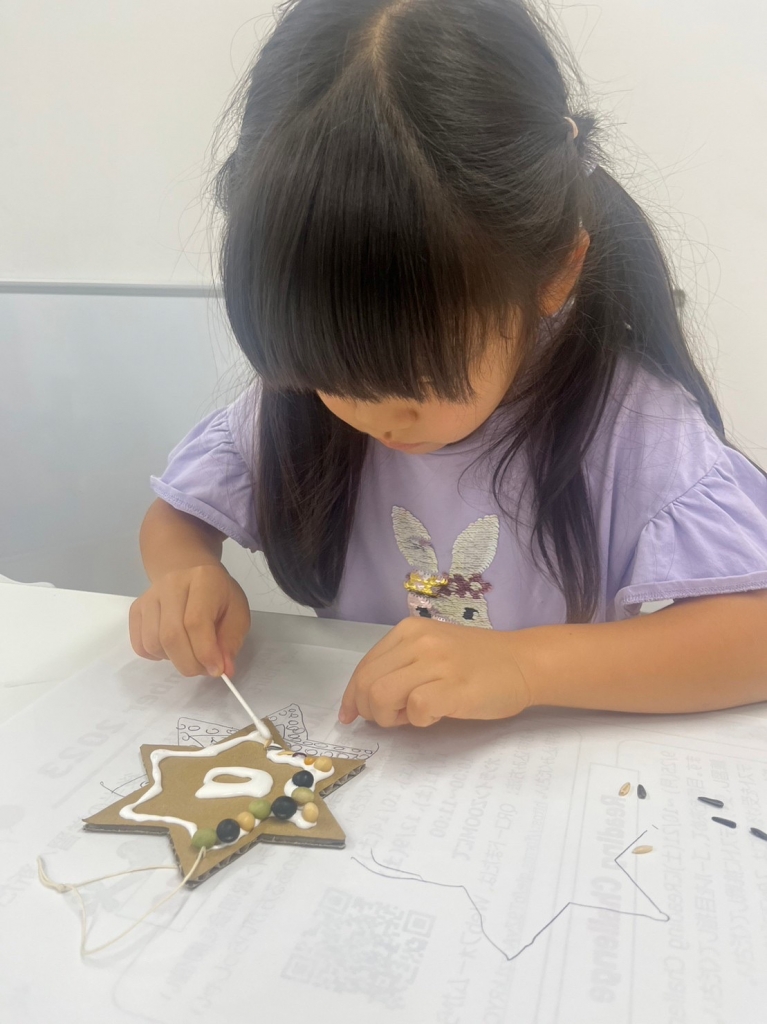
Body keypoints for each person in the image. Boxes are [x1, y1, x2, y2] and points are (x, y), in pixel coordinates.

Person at [130, 0, 767, 729]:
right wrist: (185, 572)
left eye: (418, 375)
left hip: (543, 773)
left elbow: (753, 632)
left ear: (556, 273)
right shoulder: (301, 402)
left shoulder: (628, 424)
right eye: (327, 374)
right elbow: (177, 514)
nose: (370, 415)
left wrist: (524, 667)